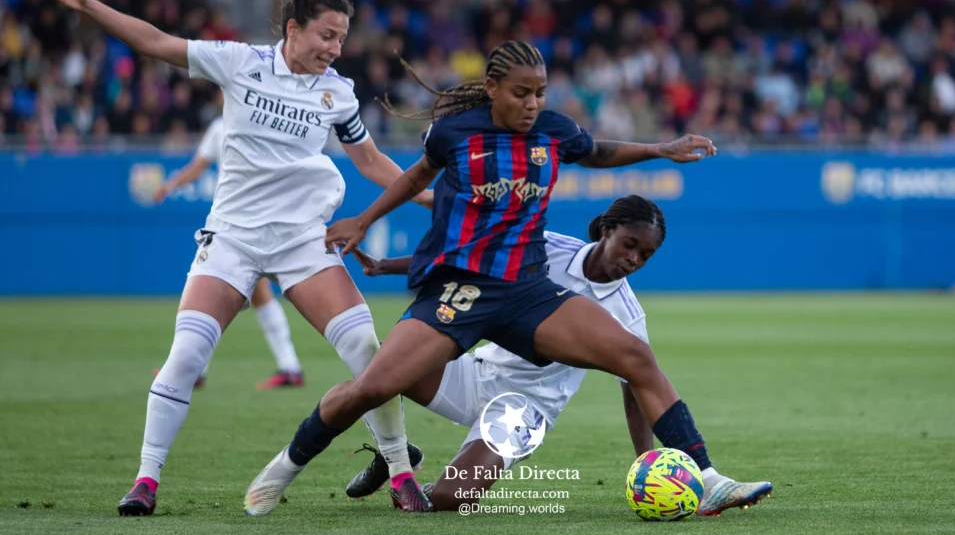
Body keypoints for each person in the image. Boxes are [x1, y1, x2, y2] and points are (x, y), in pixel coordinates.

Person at [41, 0, 431, 516]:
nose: (334, 49)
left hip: (304, 240)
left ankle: (402, 474)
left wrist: (438, 198)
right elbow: (155, 42)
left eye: (341, 40)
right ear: (294, 28)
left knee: (367, 352)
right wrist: (90, 5)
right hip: (234, 240)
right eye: (326, 36)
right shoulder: (237, 62)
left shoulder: (340, 94)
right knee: (187, 355)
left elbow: (374, 163)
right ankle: (146, 481)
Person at [243, 39, 723, 516]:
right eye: (521, 92)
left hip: (526, 293)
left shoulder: (554, 132)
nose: (532, 104)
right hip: (463, 290)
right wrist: (364, 221)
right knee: (372, 385)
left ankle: (709, 479)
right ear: (492, 88)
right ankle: (287, 466)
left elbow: (597, 151)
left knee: (635, 355)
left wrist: (662, 148)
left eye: (540, 92)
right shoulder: (454, 133)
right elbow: (415, 179)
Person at [247, 195, 772, 515]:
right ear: (607, 229)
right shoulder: (548, 247)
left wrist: (646, 461)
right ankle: (392, 455)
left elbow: (636, 388)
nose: (634, 259)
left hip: (525, 411)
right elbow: (471, 257)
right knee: (378, 373)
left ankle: (409, 474)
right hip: (473, 373)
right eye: (630, 244)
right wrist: (387, 267)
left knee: (451, 503)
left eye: (646, 255)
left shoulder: (628, 316)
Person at [153, 116, 305, 390]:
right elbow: (198, 168)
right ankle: (290, 367)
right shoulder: (237, 124)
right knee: (258, 298)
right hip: (252, 223)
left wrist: (169, 185)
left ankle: (194, 370)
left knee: (218, 295)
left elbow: (198, 168)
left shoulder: (241, 123)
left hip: (239, 225)